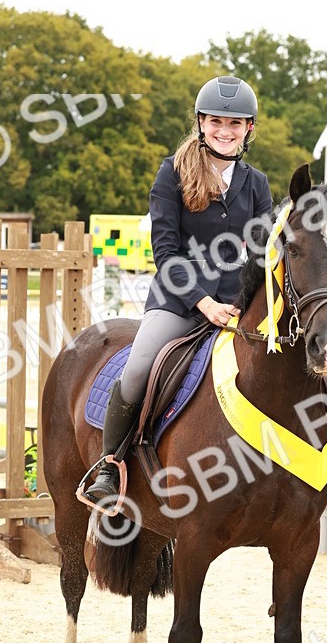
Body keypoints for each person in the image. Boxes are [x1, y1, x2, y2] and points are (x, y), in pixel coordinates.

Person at [84, 75, 273, 505]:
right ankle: (110, 465)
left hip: (236, 306)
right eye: (216, 122)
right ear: (201, 123)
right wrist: (204, 303)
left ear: (248, 129)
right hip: (179, 302)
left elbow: (262, 255)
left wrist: (249, 304)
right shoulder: (172, 173)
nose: (225, 131)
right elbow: (166, 252)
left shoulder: (257, 184)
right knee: (138, 367)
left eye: (235, 124)